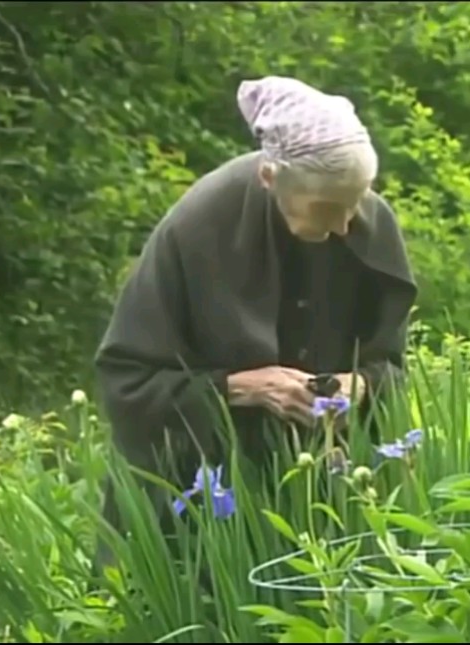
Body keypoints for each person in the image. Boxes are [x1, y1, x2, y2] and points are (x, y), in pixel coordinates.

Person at [90, 76, 418, 566]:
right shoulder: (198, 227)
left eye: (357, 203)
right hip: (201, 503)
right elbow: (128, 383)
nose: (346, 225)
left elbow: (390, 367)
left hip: (323, 498)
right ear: (271, 179)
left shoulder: (365, 220)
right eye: (328, 209)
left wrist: (360, 387)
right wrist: (242, 388)